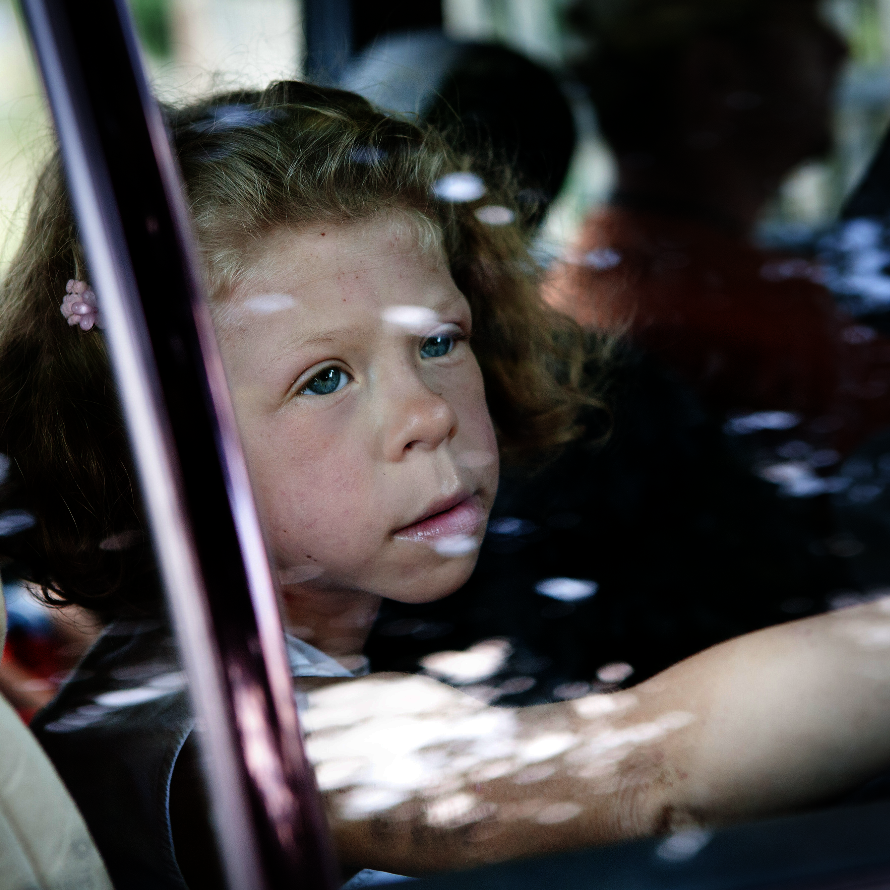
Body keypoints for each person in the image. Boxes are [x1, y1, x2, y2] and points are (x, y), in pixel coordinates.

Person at [2, 81, 890, 888]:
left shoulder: (251, 668)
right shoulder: (215, 738)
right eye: (324, 379)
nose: (427, 412)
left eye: (438, 342)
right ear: (158, 455)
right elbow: (639, 779)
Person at [545, 0, 890, 458]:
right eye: (807, 23)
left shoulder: (606, 274)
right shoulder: (727, 328)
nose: (841, 48)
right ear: (716, 74)